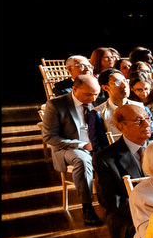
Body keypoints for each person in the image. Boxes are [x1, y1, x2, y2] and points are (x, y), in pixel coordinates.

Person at [43, 74, 106, 225]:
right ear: (74, 89)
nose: (92, 98)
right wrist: (82, 145)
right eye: (88, 94)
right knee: (83, 160)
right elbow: (49, 137)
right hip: (69, 146)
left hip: (97, 144)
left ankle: (114, 203)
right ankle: (87, 207)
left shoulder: (99, 100)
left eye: (96, 94)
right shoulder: (56, 105)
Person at [94, 104, 152, 238]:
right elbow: (110, 200)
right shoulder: (106, 158)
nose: (147, 124)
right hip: (129, 215)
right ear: (120, 127)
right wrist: (147, 210)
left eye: (148, 118)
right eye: (139, 121)